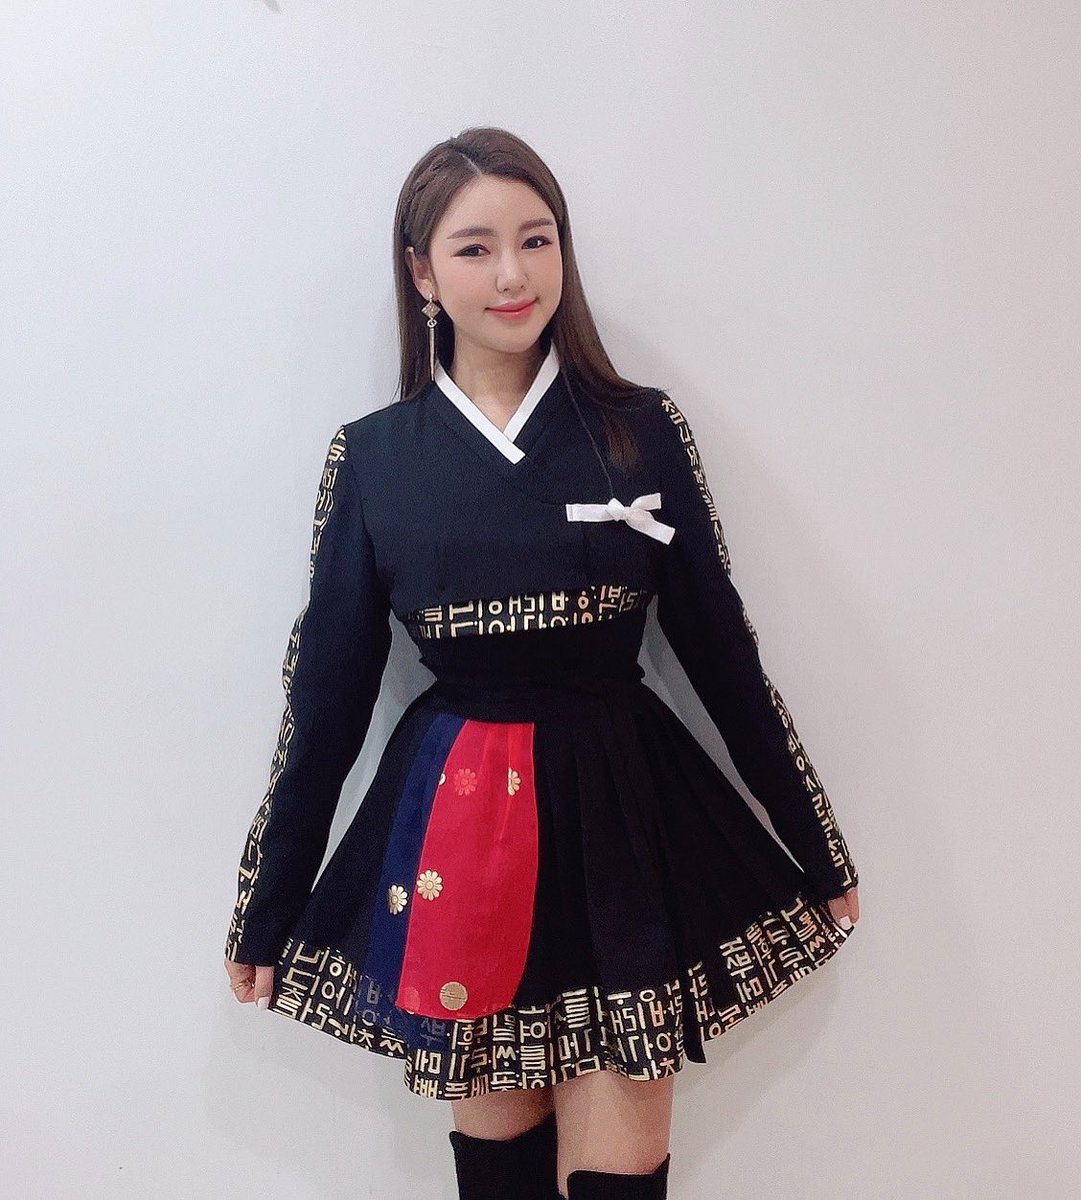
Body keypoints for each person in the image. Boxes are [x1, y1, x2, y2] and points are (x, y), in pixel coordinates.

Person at [223, 126, 861, 1200]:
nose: (513, 274)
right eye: (474, 248)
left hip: (622, 814)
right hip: (459, 820)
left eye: (536, 239)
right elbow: (324, 700)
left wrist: (816, 842)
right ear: (422, 273)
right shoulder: (374, 457)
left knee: (619, 1178)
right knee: (500, 1178)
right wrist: (267, 900)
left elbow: (721, 651)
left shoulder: (640, 429)